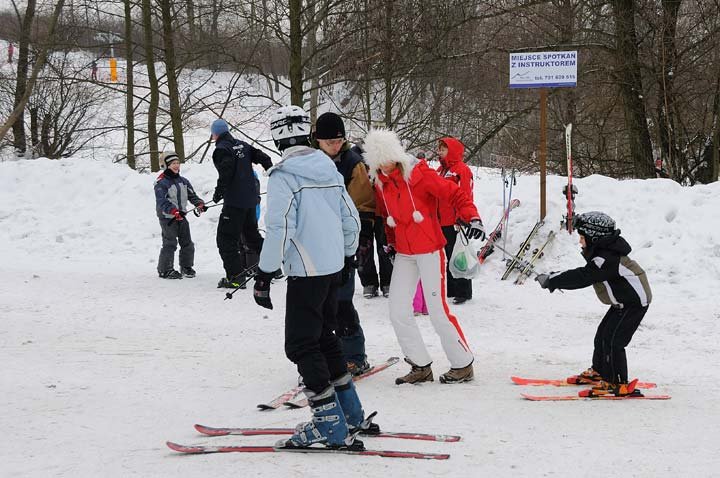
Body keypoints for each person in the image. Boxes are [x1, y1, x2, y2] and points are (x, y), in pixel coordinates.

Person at [253, 105, 367, 449]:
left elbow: (279, 228)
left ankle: (329, 425)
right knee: (325, 340)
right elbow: (352, 221)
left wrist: (264, 271)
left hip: (306, 273)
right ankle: (350, 413)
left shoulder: (285, 176)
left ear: (277, 137)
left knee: (301, 345)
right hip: (332, 269)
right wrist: (347, 256)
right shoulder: (329, 170)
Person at [363, 129, 485, 385]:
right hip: (405, 254)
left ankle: (462, 364)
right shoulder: (381, 183)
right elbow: (387, 217)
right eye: (379, 161)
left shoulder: (418, 174)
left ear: (396, 155)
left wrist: (472, 216)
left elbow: (454, 193)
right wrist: (390, 243)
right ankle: (420, 364)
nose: (385, 165)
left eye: (388, 158)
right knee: (397, 310)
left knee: (437, 310)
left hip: (430, 250)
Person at [535, 211, 652, 397]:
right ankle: (599, 372)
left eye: (583, 237)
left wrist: (553, 280)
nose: (580, 242)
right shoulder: (604, 254)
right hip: (622, 302)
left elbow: (583, 276)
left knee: (614, 341)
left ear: (595, 237)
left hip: (634, 303)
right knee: (602, 335)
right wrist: (554, 277)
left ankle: (617, 382)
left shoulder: (607, 259)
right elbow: (586, 272)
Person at [313, 112, 373, 375]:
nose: (335, 146)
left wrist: (360, 242)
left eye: (339, 141)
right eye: (329, 142)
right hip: (318, 241)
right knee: (321, 303)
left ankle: (354, 355)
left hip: (346, 241)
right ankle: (329, 352)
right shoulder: (311, 161)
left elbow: (362, 204)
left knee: (342, 300)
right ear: (317, 141)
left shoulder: (352, 163)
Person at [210, 118, 273, 288]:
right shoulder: (242, 144)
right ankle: (273, 267)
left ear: (215, 134)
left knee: (225, 239)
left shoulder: (222, 149)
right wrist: (271, 170)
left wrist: (218, 193)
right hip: (250, 201)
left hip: (235, 204)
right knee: (252, 236)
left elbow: (226, 173)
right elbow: (263, 157)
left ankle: (236, 277)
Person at [350, 141, 393, 298]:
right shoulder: (354, 160)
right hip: (362, 211)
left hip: (383, 212)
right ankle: (369, 283)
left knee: (385, 248)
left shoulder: (385, 162)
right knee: (363, 250)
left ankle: (388, 282)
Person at [154, 151, 206, 279]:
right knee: (170, 243)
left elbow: (192, 195)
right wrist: (174, 211)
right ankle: (165, 270)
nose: (176, 166)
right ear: (166, 165)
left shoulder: (183, 181)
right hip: (168, 218)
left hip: (181, 216)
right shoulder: (161, 182)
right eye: (173, 163)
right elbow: (162, 202)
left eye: (177, 163)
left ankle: (186, 267)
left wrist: (199, 203)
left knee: (187, 242)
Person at [437, 137, 475, 304]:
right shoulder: (441, 170)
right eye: (439, 149)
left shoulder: (462, 170)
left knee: (458, 255)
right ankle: (451, 288)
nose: (440, 152)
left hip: (455, 220)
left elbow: (466, 195)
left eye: (443, 149)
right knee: (447, 256)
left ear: (451, 151)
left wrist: (462, 217)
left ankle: (463, 291)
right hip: (441, 220)